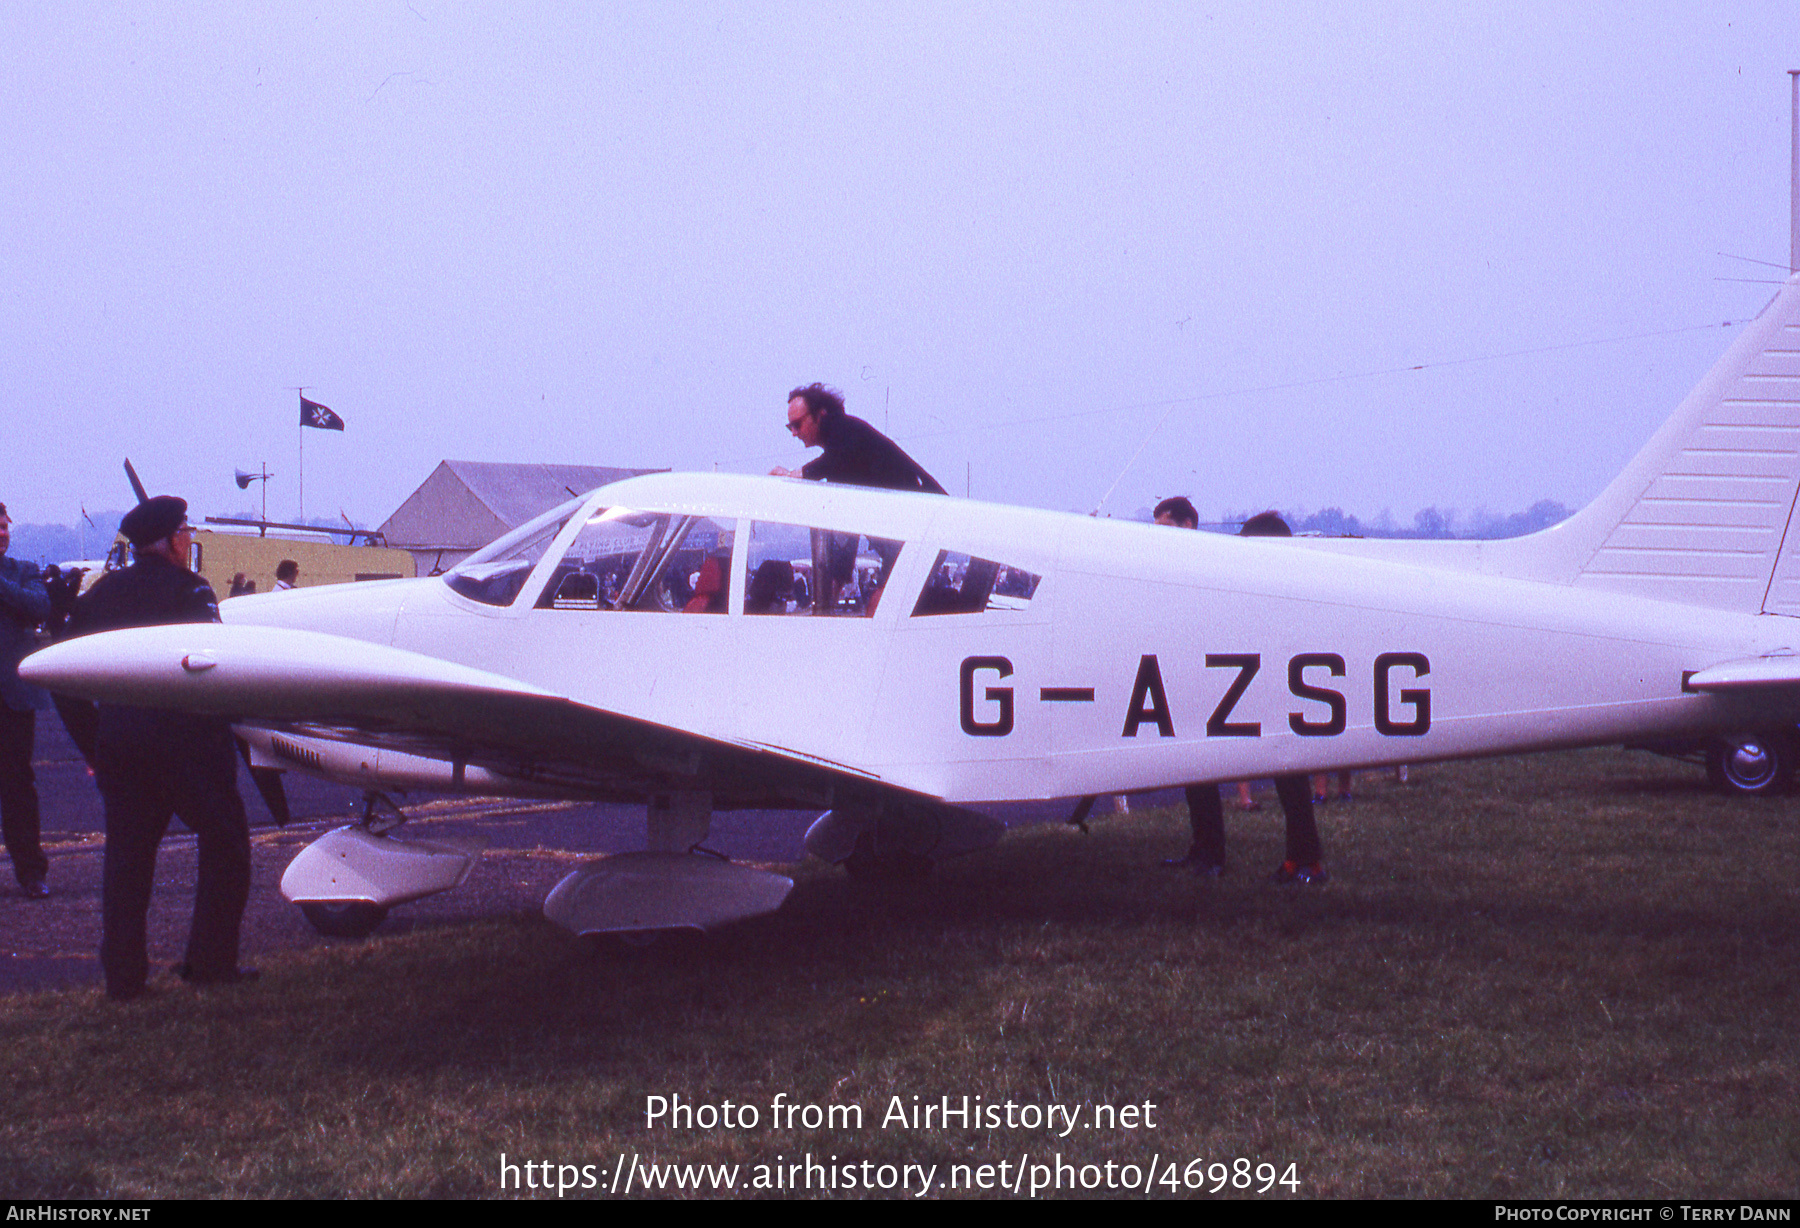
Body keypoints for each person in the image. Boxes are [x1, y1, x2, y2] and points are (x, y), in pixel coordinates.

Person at [69, 496, 256, 1000]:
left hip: (123, 749)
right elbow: (216, 666)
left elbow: (63, 671)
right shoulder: (192, 590)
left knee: (127, 863)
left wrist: (94, 745)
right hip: (190, 749)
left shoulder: (101, 595)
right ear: (173, 540)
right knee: (227, 847)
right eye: (186, 531)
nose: (189, 539)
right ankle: (211, 962)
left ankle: (124, 979)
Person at [1155, 500, 1327, 884]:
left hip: (1259, 685)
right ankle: (1207, 851)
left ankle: (1306, 860)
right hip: (1222, 681)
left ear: (1189, 525)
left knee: (1289, 774)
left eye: (1167, 527)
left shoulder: (1241, 573)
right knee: (1197, 765)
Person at [0, 502, 51, 899]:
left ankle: (31, 873)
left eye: (4, 527)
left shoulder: (24, 571)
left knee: (17, 784)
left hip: (13, 697)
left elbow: (39, 607)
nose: (2, 533)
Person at [771, 382, 948, 494]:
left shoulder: (844, 431)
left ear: (820, 415)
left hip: (926, 510)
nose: (794, 433)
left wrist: (791, 475)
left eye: (798, 424)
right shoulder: (845, 433)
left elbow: (834, 461)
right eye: (790, 427)